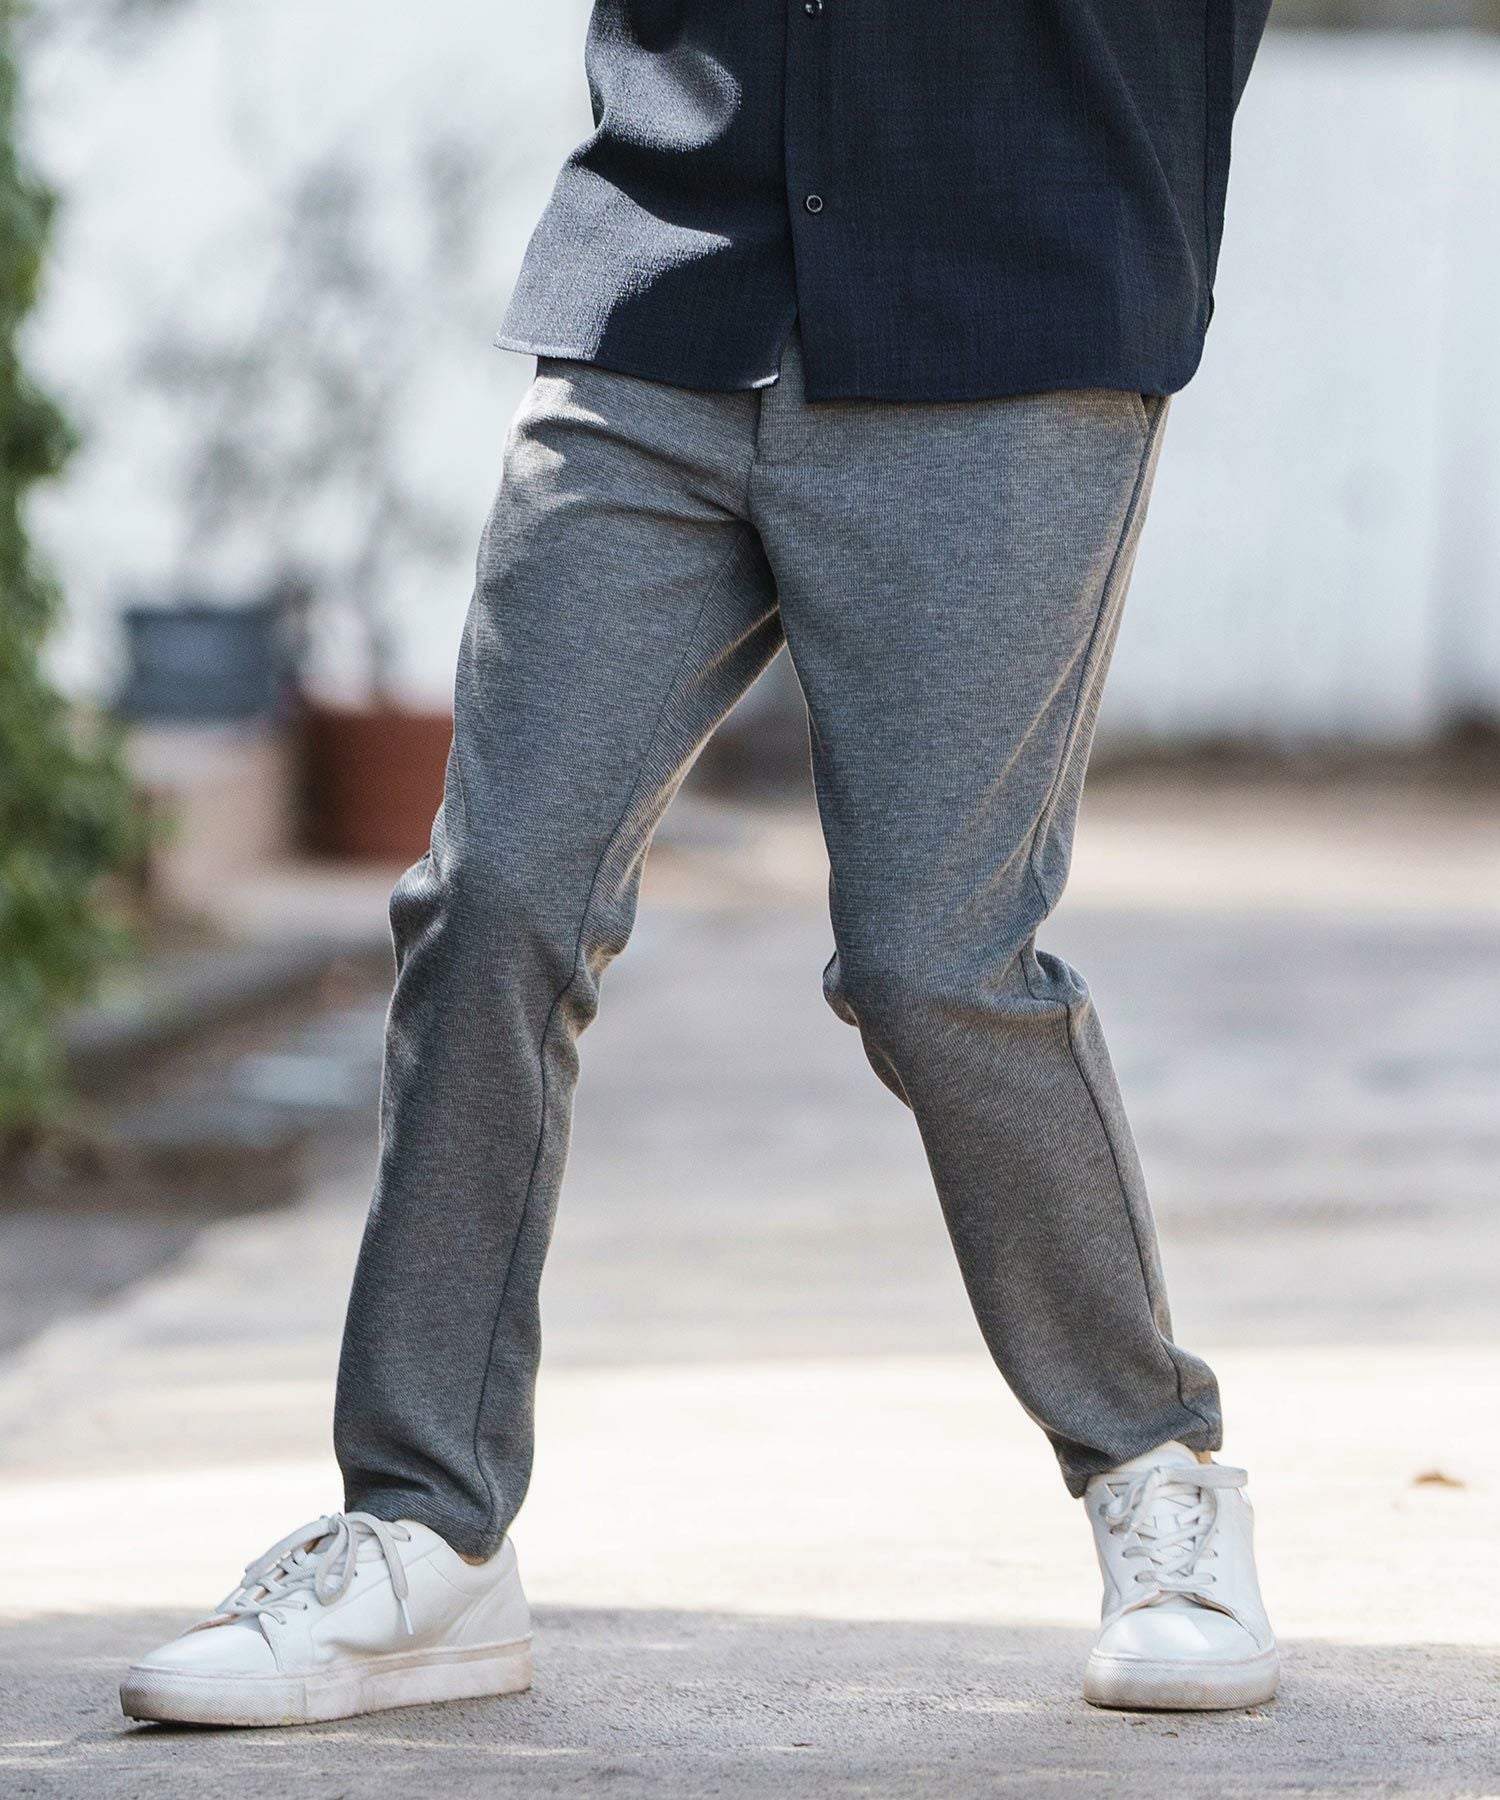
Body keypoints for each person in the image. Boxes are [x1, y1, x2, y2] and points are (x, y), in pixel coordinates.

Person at [122, 1, 1278, 1727]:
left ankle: (1154, 1473)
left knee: (935, 960)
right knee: (492, 898)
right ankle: (424, 1530)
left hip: (1011, 312)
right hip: (667, 291)